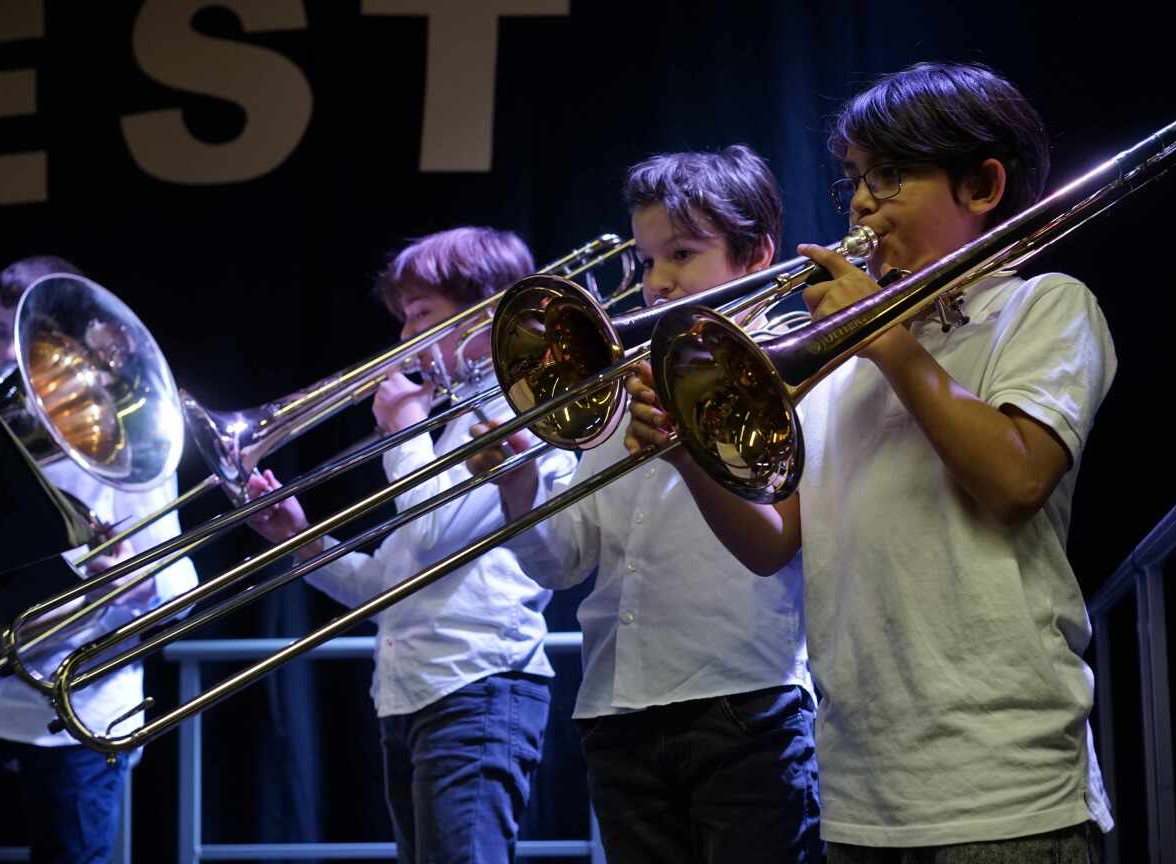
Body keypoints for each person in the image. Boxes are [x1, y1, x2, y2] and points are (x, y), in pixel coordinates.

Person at [627, 63, 1116, 860]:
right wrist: (689, 458)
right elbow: (773, 543)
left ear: (982, 185)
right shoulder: (835, 369)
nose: (859, 204)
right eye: (855, 179)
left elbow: (1016, 479)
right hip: (860, 795)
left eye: (890, 177)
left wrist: (882, 337)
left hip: (1004, 790)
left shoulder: (1044, 306)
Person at [471, 146, 821, 863]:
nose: (657, 283)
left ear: (757, 254)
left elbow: (781, 547)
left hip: (743, 703)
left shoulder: (797, 370)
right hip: (617, 710)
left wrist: (687, 450)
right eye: (646, 260)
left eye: (683, 255)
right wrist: (516, 486)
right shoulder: (622, 382)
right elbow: (566, 561)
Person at [244, 227, 575, 864]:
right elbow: (385, 586)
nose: (403, 338)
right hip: (410, 690)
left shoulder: (514, 415)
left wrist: (402, 431)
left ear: (485, 313)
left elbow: (428, 535)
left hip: (479, 684)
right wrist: (300, 542)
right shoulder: (450, 423)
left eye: (421, 315)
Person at [0, 255, 199, 864]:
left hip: (72, 706)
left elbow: (178, 584)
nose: (10, 357)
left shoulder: (122, 443)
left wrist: (126, 580)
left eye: (27, 340)